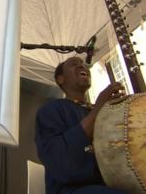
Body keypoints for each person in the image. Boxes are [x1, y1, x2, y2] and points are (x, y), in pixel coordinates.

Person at [35, 56, 126, 194]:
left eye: (83, 64)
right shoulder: (50, 110)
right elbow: (62, 161)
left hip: (108, 184)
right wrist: (98, 108)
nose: (82, 66)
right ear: (61, 79)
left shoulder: (98, 108)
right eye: (73, 64)